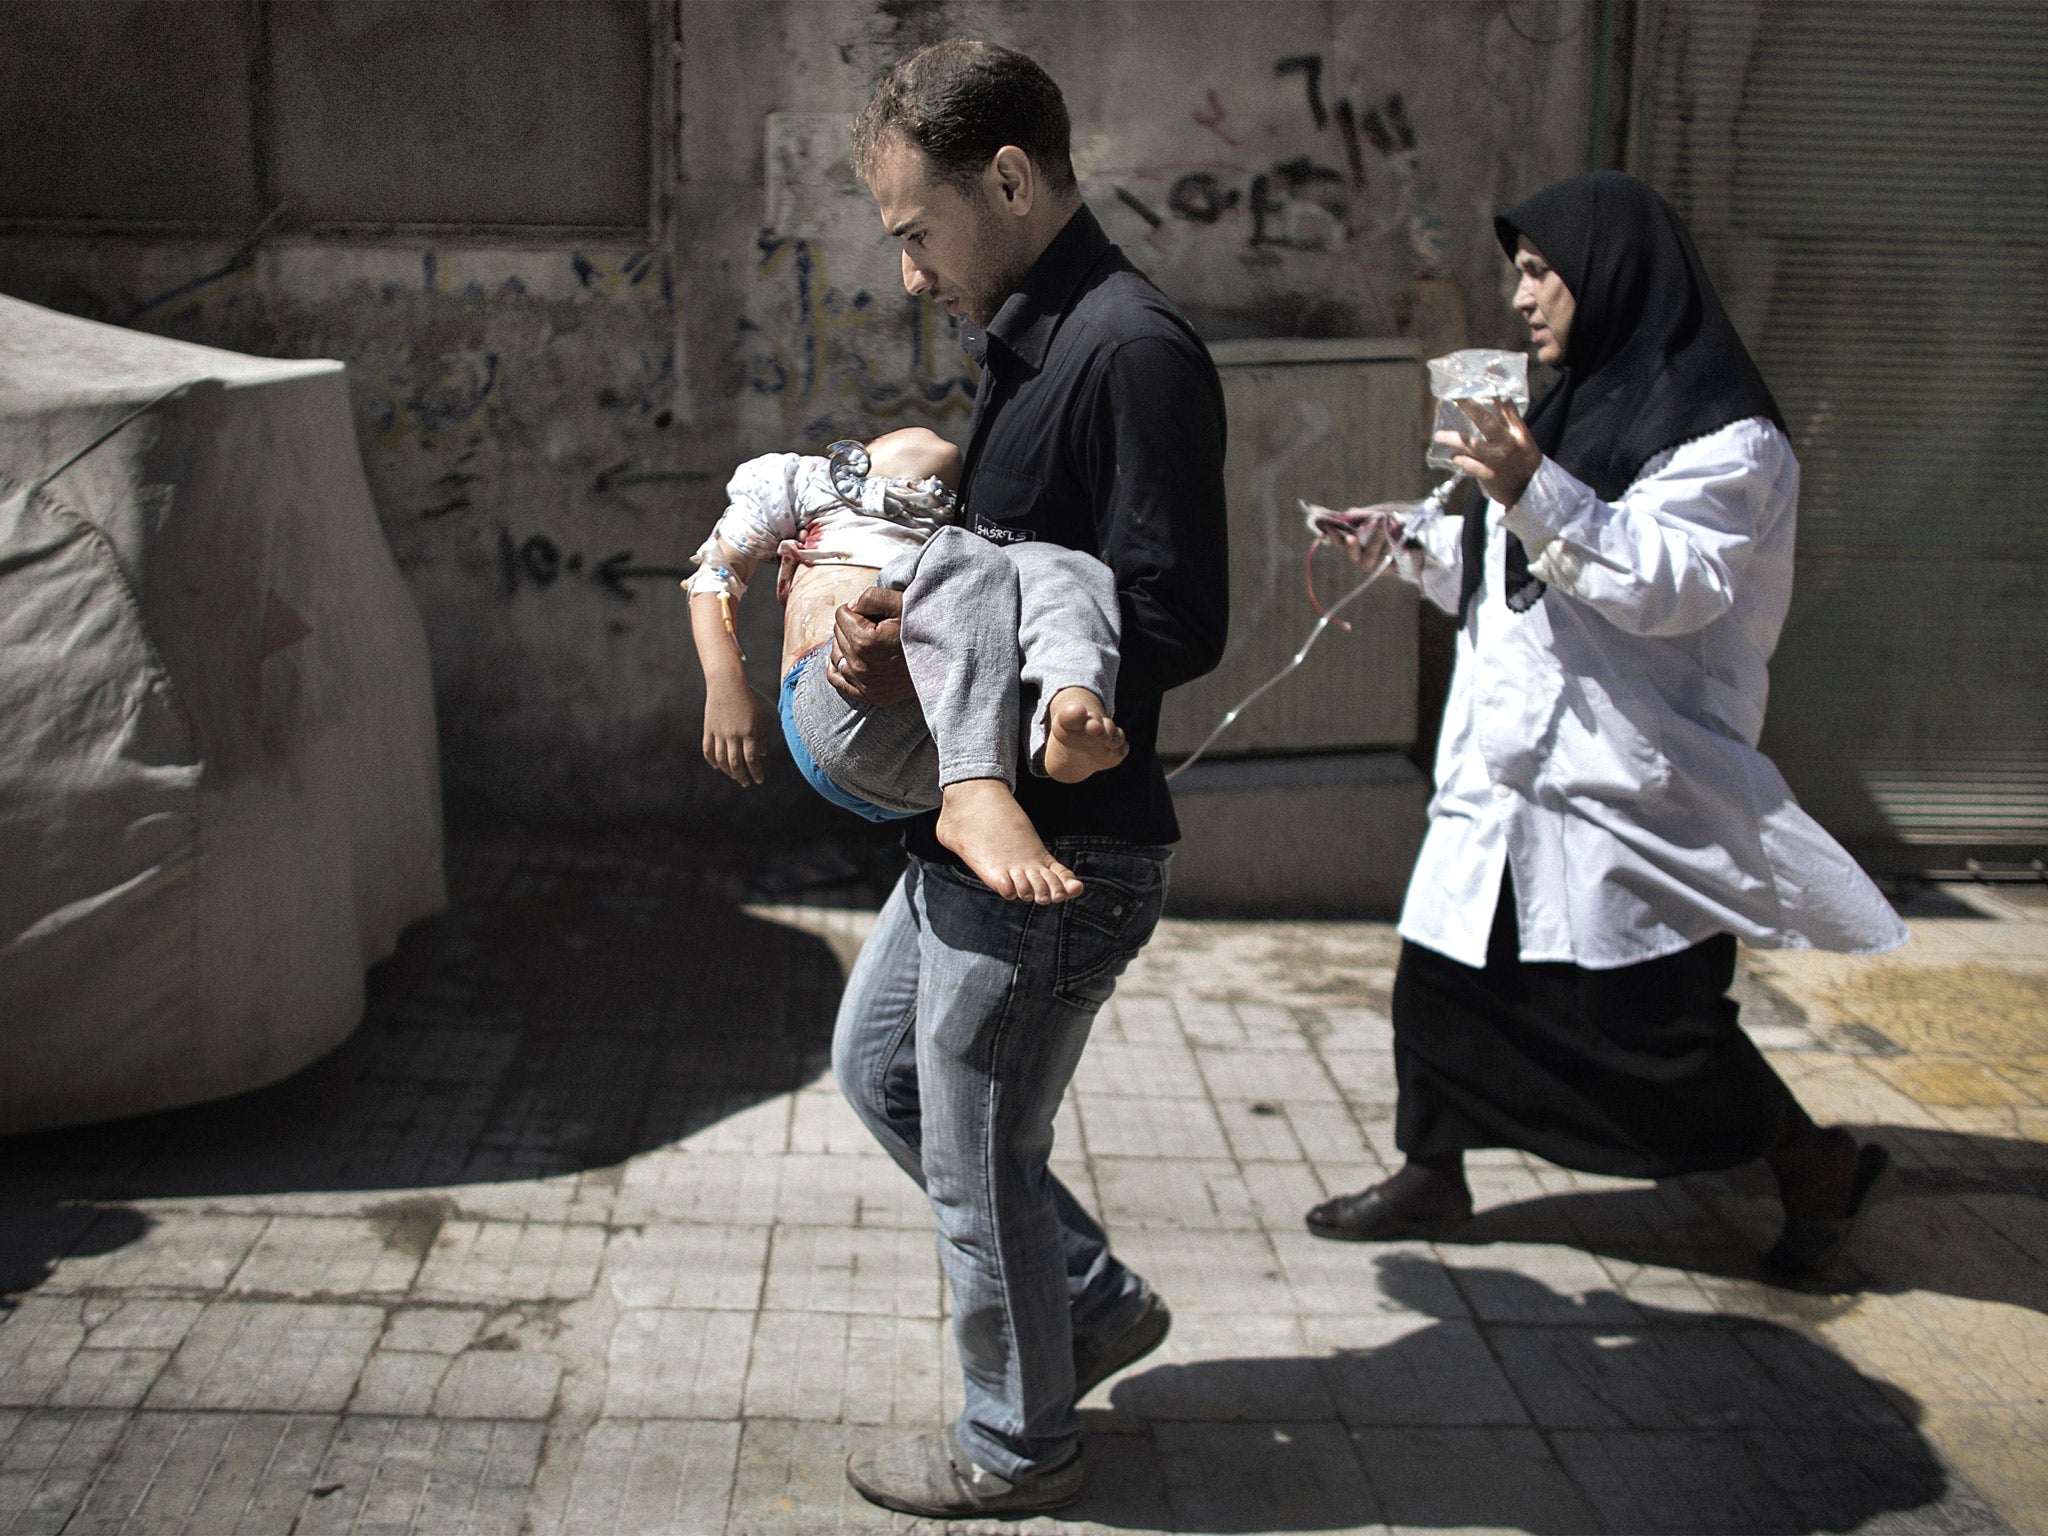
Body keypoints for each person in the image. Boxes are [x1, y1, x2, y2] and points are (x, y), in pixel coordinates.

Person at [1305, 171, 1908, 1276]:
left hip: (1623, 782)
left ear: (1614, 273)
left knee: (1648, 1028)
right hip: (1506, 774)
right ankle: (1432, 1170)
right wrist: (1404, 541)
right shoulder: (1567, 405)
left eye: (1542, 271)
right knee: (1443, 980)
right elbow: (1515, 574)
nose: (1520, 296)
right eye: (1518, 271)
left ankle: (1812, 1163)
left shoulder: (1725, 439)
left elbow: (1661, 582)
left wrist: (1532, 486)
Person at [825, 38, 1228, 1520]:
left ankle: (1016, 1441)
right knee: (879, 1074)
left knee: (979, 1158)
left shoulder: (1128, 351)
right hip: (967, 828)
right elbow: (1004, 578)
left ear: (1006, 180)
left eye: (916, 233)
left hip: (1060, 851)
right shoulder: (1033, 337)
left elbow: (1176, 615)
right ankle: (1092, 1305)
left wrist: (1004, 676)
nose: (910, 274)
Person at [689, 427, 1129, 903]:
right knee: (963, 555)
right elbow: (715, 573)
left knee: (1055, 564)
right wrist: (725, 683)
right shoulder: (806, 485)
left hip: (940, 743)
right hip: (838, 710)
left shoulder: (959, 537)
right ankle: (974, 788)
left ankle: (1063, 712)